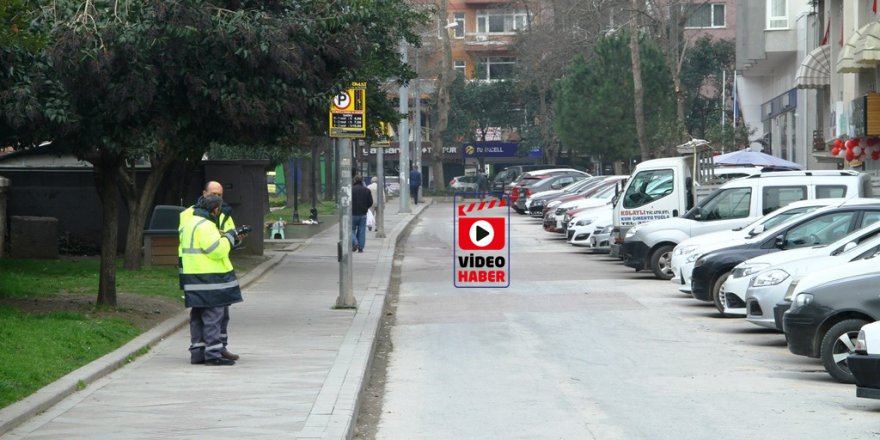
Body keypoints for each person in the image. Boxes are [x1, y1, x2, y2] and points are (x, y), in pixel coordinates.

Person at [178, 181, 244, 362]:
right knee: (214, 315)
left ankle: (198, 352)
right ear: (215, 210)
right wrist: (228, 238)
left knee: (198, 314)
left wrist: (233, 238)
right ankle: (213, 353)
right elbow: (216, 249)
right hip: (210, 276)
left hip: (193, 273)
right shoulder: (206, 225)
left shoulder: (192, 221)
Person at [351, 175, 373, 253]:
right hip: (363, 214)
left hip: (352, 213)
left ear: (354, 181)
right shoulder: (367, 190)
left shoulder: (351, 190)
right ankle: (360, 247)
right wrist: (365, 207)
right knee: (362, 231)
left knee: (350, 229)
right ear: (362, 181)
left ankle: (355, 242)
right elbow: (370, 202)